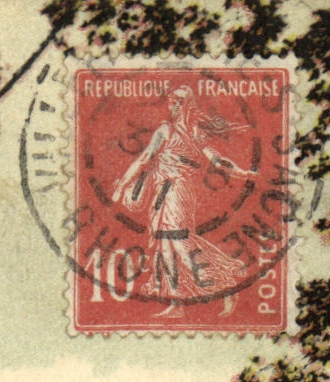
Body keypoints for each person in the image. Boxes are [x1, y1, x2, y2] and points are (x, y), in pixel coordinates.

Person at [109, 86, 256, 317]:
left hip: (178, 190)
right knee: (164, 245)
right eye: (171, 101)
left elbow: (217, 160)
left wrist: (243, 173)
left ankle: (225, 284)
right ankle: (175, 302)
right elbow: (146, 158)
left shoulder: (191, 131)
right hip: (162, 192)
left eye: (176, 102)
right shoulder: (167, 130)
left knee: (179, 242)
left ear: (184, 105)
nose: (172, 105)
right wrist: (123, 185)